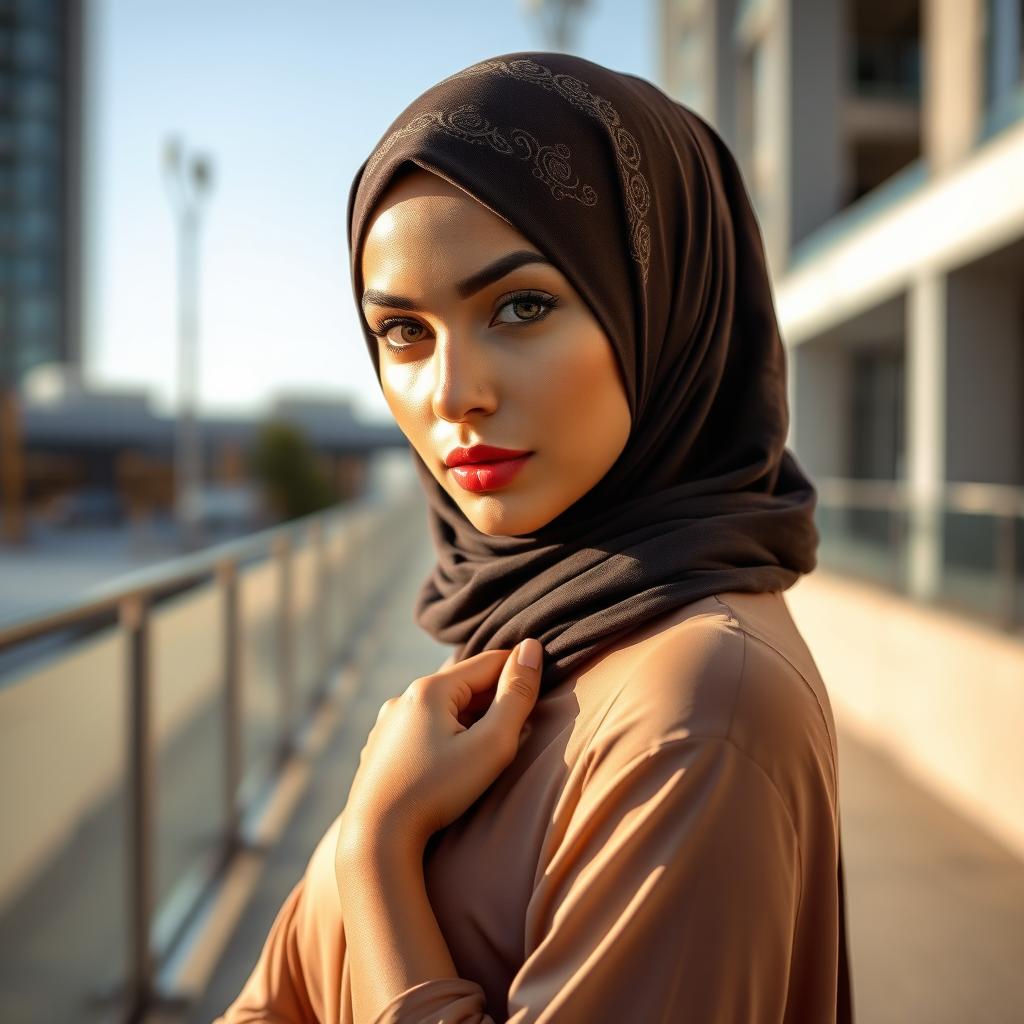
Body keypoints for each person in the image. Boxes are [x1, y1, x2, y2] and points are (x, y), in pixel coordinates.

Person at [215, 51, 854, 1023]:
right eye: (402, 331)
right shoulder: (530, 638)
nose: (451, 392)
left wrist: (379, 853)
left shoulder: (699, 712)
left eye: (521, 306)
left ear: (661, 308)